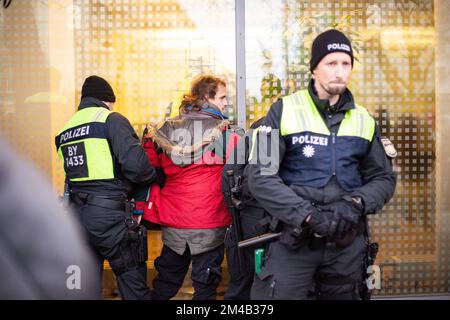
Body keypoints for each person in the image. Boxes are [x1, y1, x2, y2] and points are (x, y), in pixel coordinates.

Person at [245, 29, 397, 300]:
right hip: (294, 239)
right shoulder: (283, 111)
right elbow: (260, 175)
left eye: (346, 63)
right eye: (331, 63)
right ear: (314, 68)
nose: (339, 71)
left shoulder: (364, 120)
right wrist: (308, 215)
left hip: (346, 244)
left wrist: (356, 203)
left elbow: (383, 179)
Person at [55, 75, 160, 300]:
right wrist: (155, 174)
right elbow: (138, 168)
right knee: (132, 285)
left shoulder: (65, 129)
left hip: (76, 217)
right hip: (110, 217)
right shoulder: (110, 119)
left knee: (81, 288)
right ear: (107, 100)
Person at [139, 75, 240, 300]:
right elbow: (241, 172)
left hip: (174, 219)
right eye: (222, 98)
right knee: (205, 287)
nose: (225, 103)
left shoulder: (165, 129)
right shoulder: (225, 133)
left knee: (166, 282)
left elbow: (146, 167)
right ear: (207, 97)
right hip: (210, 220)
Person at [0, 137, 98, 299]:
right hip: (106, 207)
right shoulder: (11, 175)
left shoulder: (65, 132)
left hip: (81, 207)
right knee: (127, 267)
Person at [222, 117, 268, 300]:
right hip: (262, 216)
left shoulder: (258, 129)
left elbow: (228, 175)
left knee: (245, 279)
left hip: (251, 216)